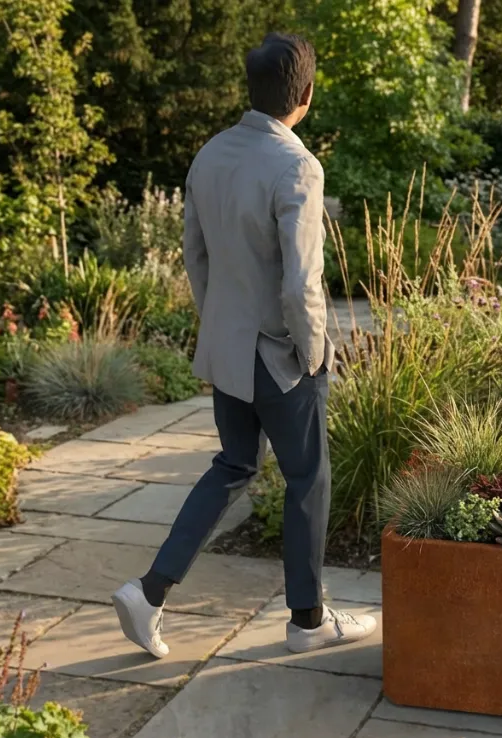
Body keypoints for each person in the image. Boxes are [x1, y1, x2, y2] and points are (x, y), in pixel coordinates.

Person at [111, 33, 376, 658]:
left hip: (227, 349)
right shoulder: (298, 165)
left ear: (251, 89)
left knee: (233, 466)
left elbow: (195, 255)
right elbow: (302, 280)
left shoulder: (209, 155)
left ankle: (149, 592)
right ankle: (307, 621)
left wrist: (219, 324)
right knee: (308, 477)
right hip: (279, 357)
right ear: (306, 94)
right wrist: (313, 353)